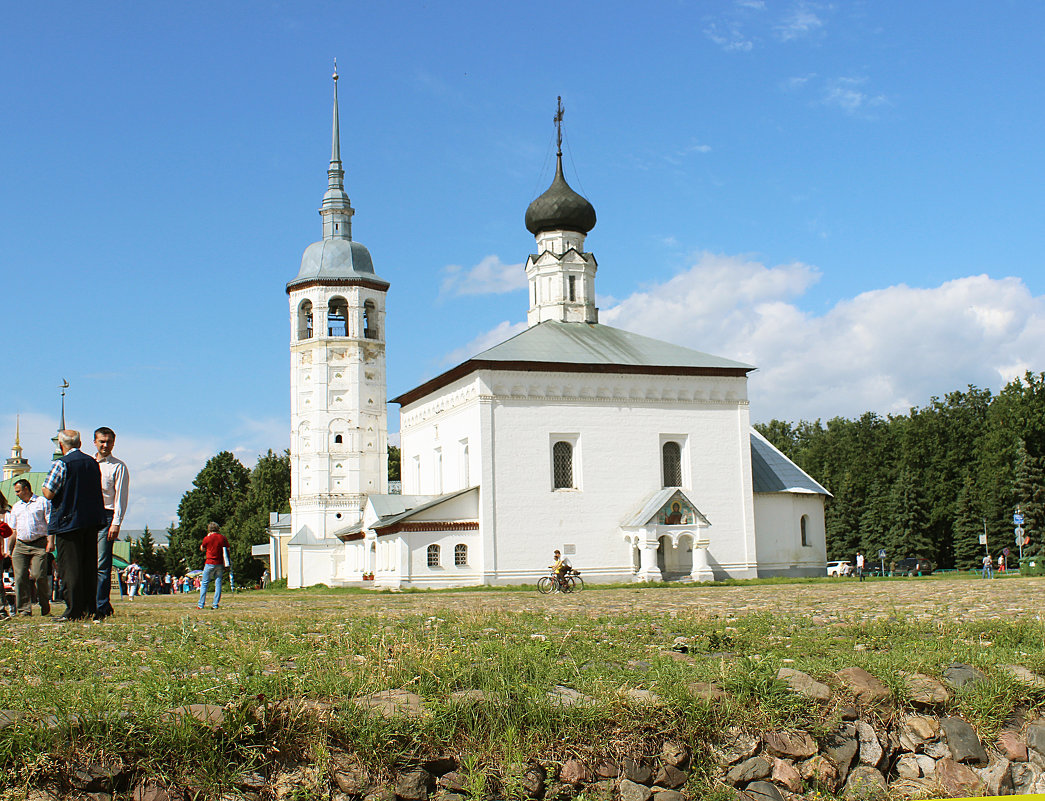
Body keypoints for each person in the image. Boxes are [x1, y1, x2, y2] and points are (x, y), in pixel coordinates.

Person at [42, 430, 106, 621]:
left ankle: (73, 610)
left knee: (70, 568)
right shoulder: (92, 463)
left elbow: (48, 492)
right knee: (88, 566)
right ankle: (90, 607)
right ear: (80, 443)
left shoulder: (62, 463)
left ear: (62, 445)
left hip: (68, 521)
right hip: (91, 520)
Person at [93, 426, 129, 620]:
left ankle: (101, 606)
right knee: (86, 562)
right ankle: (88, 603)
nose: (105, 445)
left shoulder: (118, 466)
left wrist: (116, 522)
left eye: (109, 442)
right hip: (87, 517)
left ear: (113, 443)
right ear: (95, 442)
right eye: (102, 441)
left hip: (107, 516)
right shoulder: (88, 463)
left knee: (102, 563)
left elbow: (120, 497)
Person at [8, 479, 54, 617]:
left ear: (26, 489)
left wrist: (50, 542)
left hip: (39, 544)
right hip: (21, 545)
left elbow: (50, 524)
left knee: (38, 575)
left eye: (18, 491)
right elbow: (13, 530)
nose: (16, 494)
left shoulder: (42, 502)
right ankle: (24, 609)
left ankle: (45, 605)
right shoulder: (16, 507)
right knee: (20, 577)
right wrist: (10, 549)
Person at [198, 522, 230, 610]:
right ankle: (215, 604)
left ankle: (201, 604)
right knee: (218, 583)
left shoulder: (207, 538)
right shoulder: (222, 538)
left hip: (209, 562)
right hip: (219, 563)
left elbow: (202, 548)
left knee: (204, 583)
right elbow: (227, 548)